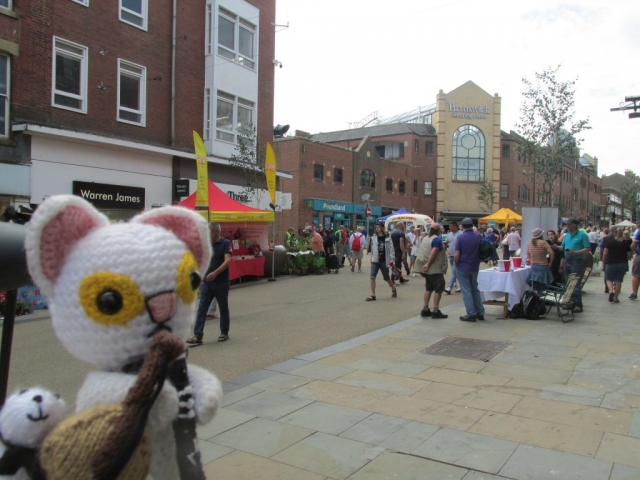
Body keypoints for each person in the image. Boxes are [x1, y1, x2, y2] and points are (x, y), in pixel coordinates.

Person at [187, 222, 232, 345]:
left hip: (221, 282)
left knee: (223, 308)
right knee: (202, 308)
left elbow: (227, 261)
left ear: (217, 232)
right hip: (207, 283)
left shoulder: (225, 243)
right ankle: (198, 335)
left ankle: (224, 332)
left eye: (209, 232)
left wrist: (215, 273)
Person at [413, 223, 448, 319]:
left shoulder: (425, 238)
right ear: (438, 230)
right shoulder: (436, 239)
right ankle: (435, 310)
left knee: (428, 289)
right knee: (438, 289)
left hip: (425, 269)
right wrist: (428, 264)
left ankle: (425, 309)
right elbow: (434, 252)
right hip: (434, 268)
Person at [455, 217, 485, 322]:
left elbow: (457, 253)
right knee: (475, 289)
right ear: (472, 225)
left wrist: (456, 263)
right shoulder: (478, 236)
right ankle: (480, 312)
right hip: (474, 266)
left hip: (463, 266)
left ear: (462, 226)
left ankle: (471, 313)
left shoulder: (460, 237)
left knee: (466, 291)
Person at [559, 218, 591, 313]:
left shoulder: (582, 235)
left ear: (575, 225)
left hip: (576, 262)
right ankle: (570, 302)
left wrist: (576, 252)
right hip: (567, 261)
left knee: (575, 283)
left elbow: (587, 248)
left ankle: (578, 304)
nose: (567, 226)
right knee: (568, 283)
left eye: (569, 224)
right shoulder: (567, 235)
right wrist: (557, 247)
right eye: (567, 225)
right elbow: (563, 247)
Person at [365, 223, 396, 301]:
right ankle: (373, 295)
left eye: (378, 227)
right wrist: (371, 259)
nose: (377, 229)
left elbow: (391, 250)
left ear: (382, 228)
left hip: (384, 260)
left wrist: (392, 260)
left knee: (386, 277)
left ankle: (393, 288)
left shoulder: (388, 238)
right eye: (376, 227)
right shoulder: (373, 238)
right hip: (375, 260)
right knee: (372, 276)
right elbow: (372, 249)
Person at [602, 227, 631, 303]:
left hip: (610, 263)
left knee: (609, 279)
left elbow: (605, 253)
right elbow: (629, 254)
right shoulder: (626, 243)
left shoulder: (610, 242)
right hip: (622, 263)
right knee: (618, 281)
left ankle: (611, 291)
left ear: (614, 234)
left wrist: (603, 263)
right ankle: (616, 298)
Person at [525, 228, 555, 295]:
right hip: (543, 266)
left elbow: (527, 253)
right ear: (541, 235)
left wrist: (531, 260)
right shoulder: (543, 243)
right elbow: (552, 253)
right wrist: (550, 263)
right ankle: (541, 301)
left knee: (535, 285)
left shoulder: (530, 242)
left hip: (534, 266)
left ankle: (536, 301)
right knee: (543, 286)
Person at [444, 221, 461, 294]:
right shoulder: (449, 234)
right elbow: (447, 242)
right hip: (451, 255)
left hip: (457, 255)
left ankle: (449, 287)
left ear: (455, 226)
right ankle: (458, 284)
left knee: (454, 271)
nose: (449, 228)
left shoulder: (461, 234)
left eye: (450, 226)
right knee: (455, 271)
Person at [630, 224, 640, 300]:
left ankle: (634, 293)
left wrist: (629, 253)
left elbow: (634, 244)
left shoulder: (639, 232)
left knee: (636, 275)